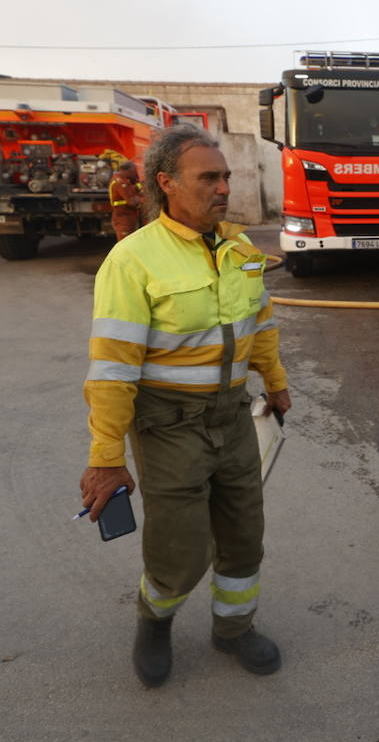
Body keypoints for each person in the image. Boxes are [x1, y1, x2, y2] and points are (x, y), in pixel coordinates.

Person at [79, 122, 292, 687]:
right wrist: (105, 456)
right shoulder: (133, 261)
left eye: (226, 177)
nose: (223, 188)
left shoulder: (243, 249)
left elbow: (260, 321)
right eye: (209, 178)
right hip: (168, 425)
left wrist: (274, 379)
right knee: (180, 549)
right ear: (166, 183)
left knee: (245, 534)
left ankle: (234, 629)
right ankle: (155, 621)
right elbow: (113, 369)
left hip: (233, 416)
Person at [108, 160, 144, 240]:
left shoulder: (125, 181)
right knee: (125, 241)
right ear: (128, 171)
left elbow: (131, 190)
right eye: (133, 171)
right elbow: (132, 201)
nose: (135, 173)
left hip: (129, 216)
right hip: (123, 217)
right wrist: (146, 200)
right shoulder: (120, 183)